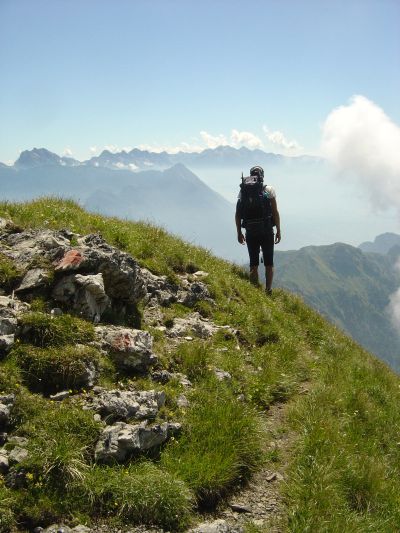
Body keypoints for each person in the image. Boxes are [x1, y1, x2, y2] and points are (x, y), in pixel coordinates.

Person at [235, 165, 281, 294]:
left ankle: (254, 292)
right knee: (269, 264)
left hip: (250, 232)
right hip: (266, 231)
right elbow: (275, 212)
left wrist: (239, 232)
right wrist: (278, 230)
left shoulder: (243, 191)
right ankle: (268, 290)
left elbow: (238, 214)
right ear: (262, 176)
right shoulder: (268, 190)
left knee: (253, 264)